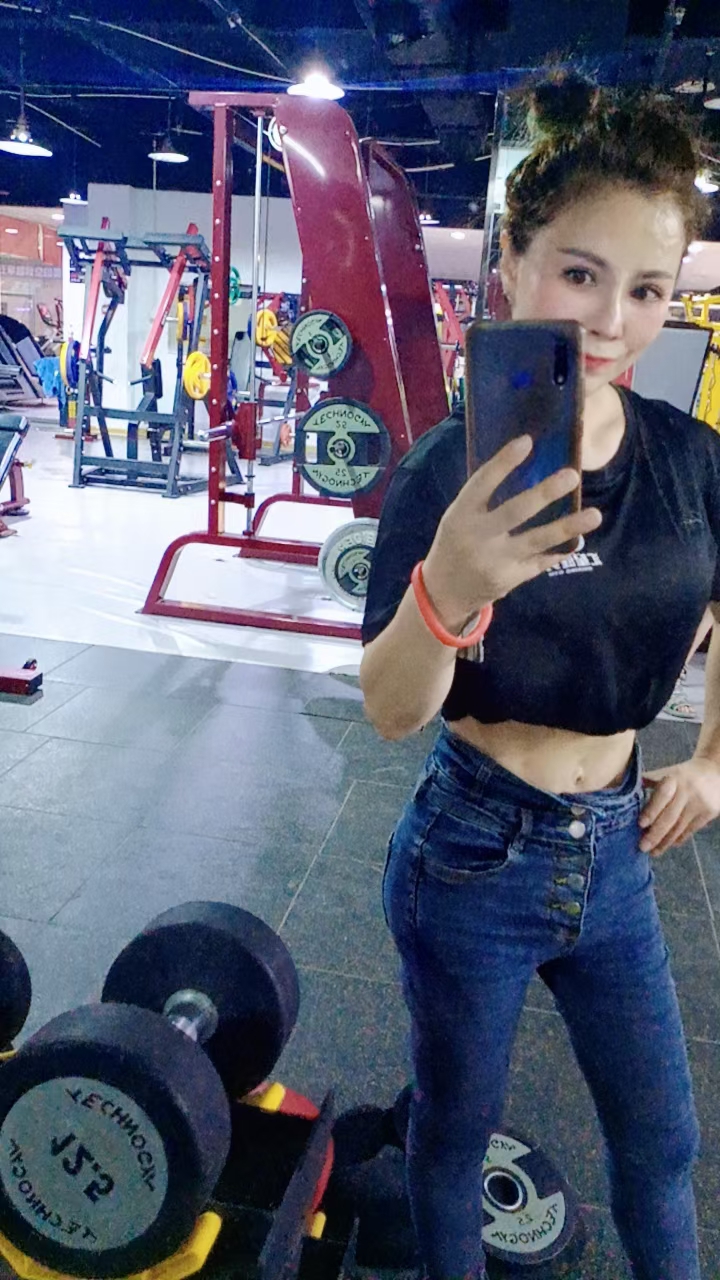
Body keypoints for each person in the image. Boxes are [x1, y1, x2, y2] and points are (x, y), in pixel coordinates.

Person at [359, 74, 719, 1280]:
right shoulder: (442, 473)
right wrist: (447, 584)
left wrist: (715, 761)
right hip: (473, 853)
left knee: (663, 1142)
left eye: (649, 288)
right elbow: (390, 708)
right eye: (579, 272)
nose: (613, 320)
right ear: (511, 265)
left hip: (619, 853)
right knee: (452, 1138)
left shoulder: (691, 463)